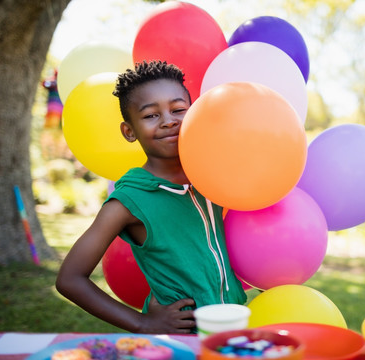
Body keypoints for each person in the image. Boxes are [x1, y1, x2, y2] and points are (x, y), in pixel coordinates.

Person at [56, 60, 247, 334]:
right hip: (178, 341)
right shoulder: (129, 200)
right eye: (150, 115)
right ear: (129, 131)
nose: (169, 121)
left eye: (178, 110)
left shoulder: (211, 176)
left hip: (232, 328)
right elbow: (70, 279)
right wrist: (142, 322)